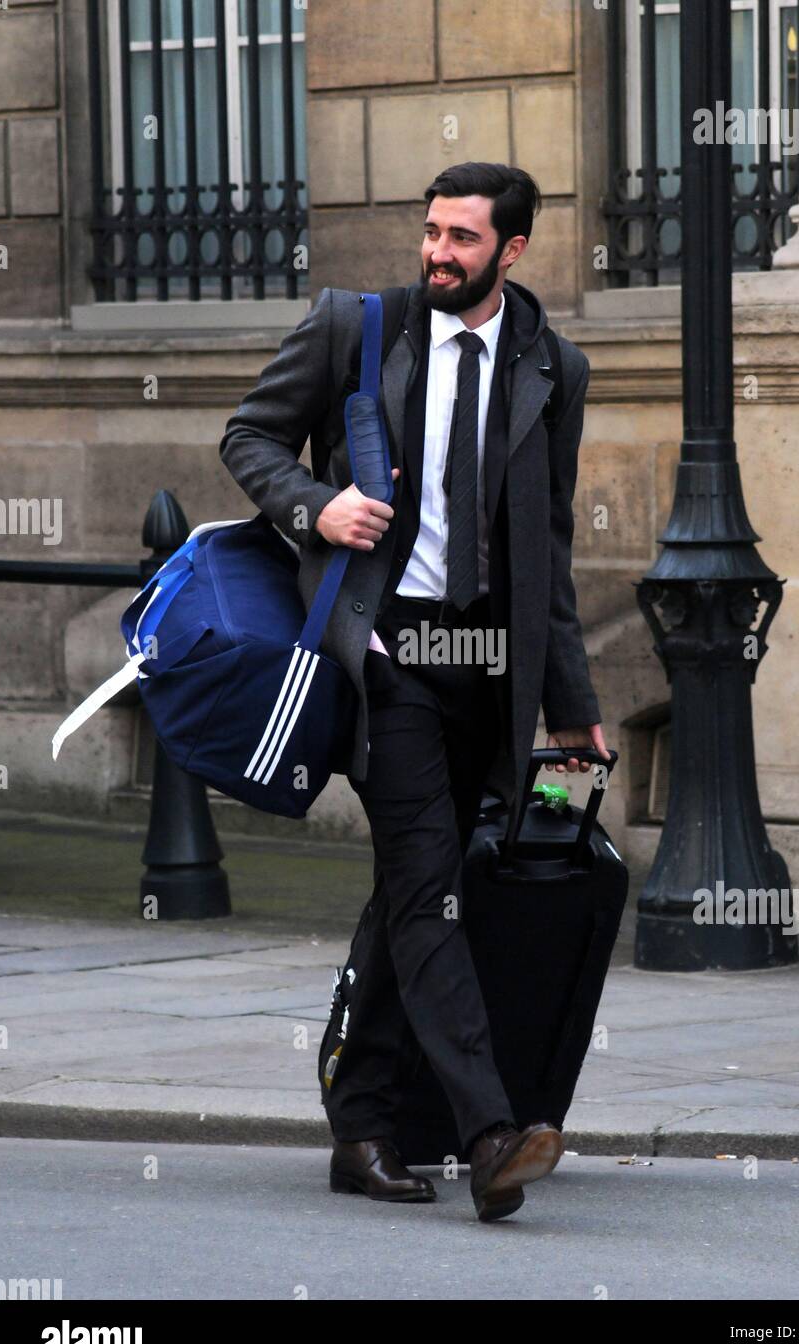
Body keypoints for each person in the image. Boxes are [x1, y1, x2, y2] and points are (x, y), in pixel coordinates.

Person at [220, 162, 608, 1222]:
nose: (438, 252)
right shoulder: (358, 326)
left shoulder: (552, 369)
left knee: (417, 892)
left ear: (511, 251)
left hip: (490, 670)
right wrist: (316, 506)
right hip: (386, 656)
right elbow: (248, 435)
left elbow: (548, 551)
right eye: (431, 231)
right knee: (429, 878)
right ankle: (489, 1132)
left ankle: (362, 1123)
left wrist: (568, 704)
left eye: (462, 239)